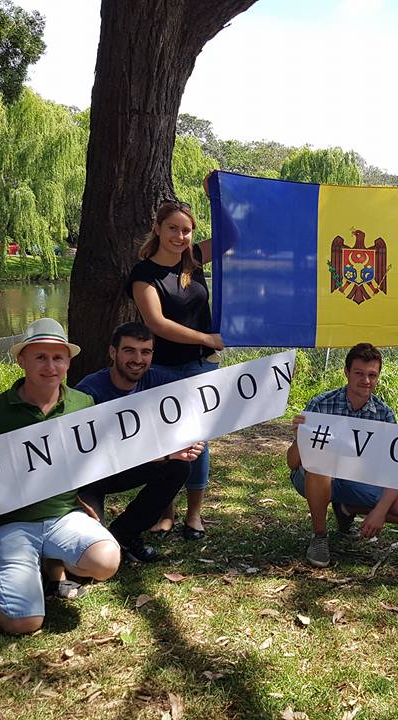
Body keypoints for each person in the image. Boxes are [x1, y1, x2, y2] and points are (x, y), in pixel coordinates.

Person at [0, 318, 120, 635]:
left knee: (105, 560)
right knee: (24, 623)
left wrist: (169, 452)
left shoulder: (83, 404)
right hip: (11, 522)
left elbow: (113, 450)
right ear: (21, 360)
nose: (50, 366)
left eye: (58, 357)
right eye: (40, 357)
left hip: (64, 515)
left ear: (68, 361)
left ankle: (52, 565)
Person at [128, 201, 224, 540]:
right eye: (173, 228)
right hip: (162, 365)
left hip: (201, 364)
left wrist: (216, 195)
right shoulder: (144, 274)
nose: (180, 236)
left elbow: (231, 237)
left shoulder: (193, 259)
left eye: (186, 230)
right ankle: (165, 514)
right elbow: (157, 323)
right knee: (165, 437)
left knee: (197, 438)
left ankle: (194, 515)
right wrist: (208, 337)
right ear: (157, 228)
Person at [286, 343, 398, 568]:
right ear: (346, 372)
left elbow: (397, 468)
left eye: (372, 375)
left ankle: (346, 508)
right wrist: (301, 436)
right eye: (359, 373)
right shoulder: (321, 404)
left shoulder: (384, 414)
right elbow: (292, 463)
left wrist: (379, 511)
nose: (366, 380)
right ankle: (319, 537)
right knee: (322, 460)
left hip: (356, 479)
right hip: (313, 477)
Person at [75, 322, 204, 563]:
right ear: (113, 353)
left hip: (129, 467)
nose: (138, 359)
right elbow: (87, 454)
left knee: (179, 466)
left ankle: (126, 533)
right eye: (129, 351)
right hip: (91, 476)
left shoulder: (160, 380)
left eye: (145, 352)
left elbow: (199, 402)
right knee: (92, 550)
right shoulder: (89, 391)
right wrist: (165, 454)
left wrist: (192, 440)